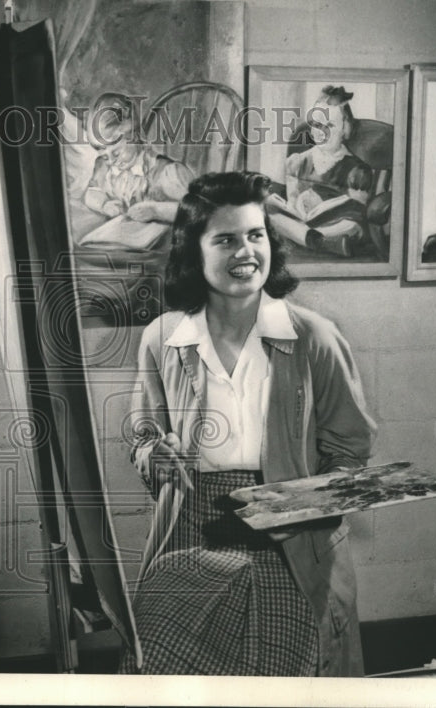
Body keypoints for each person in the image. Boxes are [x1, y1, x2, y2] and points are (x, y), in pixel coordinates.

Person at [120, 171, 375, 676]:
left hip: (292, 542)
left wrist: (315, 501)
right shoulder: (163, 337)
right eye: (226, 239)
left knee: (289, 671)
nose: (245, 251)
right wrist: (155, 455)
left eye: (256, 235)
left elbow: (350, 449)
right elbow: (143, 434)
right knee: (160, 669)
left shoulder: (314, 337)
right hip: (190, 532)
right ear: (194, 251)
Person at [275, 86, 374, 258]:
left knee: (351, 226)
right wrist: (296, 205)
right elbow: (291, 197)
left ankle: (306, 237)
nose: (322, 132)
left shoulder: (356, 169)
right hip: (303, 219)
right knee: (269, 207)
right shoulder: (298, 161)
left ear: (346, 129)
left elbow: (358, 210)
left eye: (330, 125)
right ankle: (316, 241)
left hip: (334, 223)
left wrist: (322, 204)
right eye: (317, 124)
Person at [82, 92, 194, 225]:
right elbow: (91, 193)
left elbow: (196, 209)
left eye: (116, 153)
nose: (111, 161)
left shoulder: (164, 171)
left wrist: (156, 211)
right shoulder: (104, 168)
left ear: (134, 137)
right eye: (105, 157)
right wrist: (104, 205)